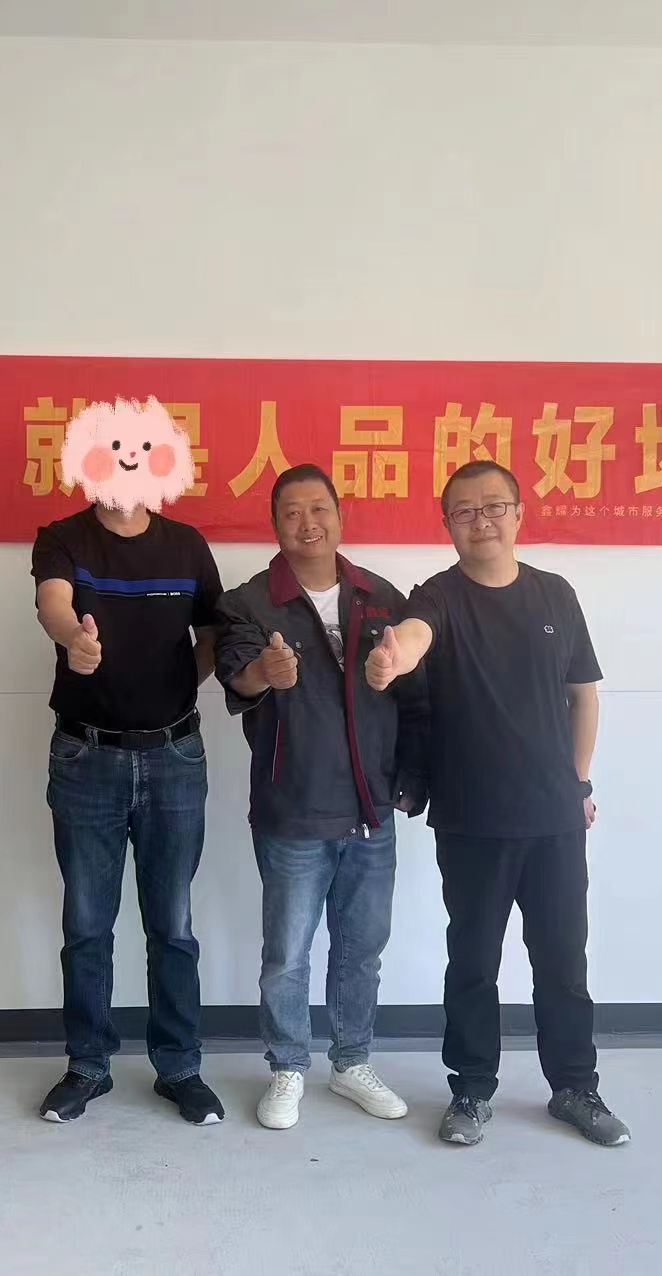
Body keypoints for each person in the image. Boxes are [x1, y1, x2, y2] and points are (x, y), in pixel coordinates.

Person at [365, 459, 629, 1148]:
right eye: (464, 510)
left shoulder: (555, 595)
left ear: (518, 514)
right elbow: (415, 635)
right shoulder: (439, 597)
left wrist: (578, 786)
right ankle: (471, 1091)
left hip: (554, 820)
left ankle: (575, 1087)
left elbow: (583, 696)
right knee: (473, 964)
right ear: (447, 523)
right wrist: (395, 658)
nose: (480, 520)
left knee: (563, 963)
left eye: (493, 507)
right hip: (472, 820)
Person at [31, 398, 226, 1126]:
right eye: (111, 449)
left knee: (172, 924)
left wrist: (176, 687)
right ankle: (88, 1065)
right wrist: (73, 641)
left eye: (141, 449)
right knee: (87, 924)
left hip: (174, 755)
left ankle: (180, 1068)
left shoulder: (186, 545)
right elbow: (52, 602)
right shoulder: (63, 538)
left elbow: (212, 632)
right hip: (87, 756)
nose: (127, 462)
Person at [216, 464, 429, 1130]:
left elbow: (415, 696)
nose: (308, 524)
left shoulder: (380, 596)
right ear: (275, 525)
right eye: (292, 513)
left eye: (319, 509)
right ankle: (287, 1066)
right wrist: (264, 671)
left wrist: (409, 778)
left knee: (361, 949)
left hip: (371, 809)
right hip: (294, 808)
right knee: (287, 956)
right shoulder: (251, 602)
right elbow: (236, 675)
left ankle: (351, 1062)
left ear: (340, 516)